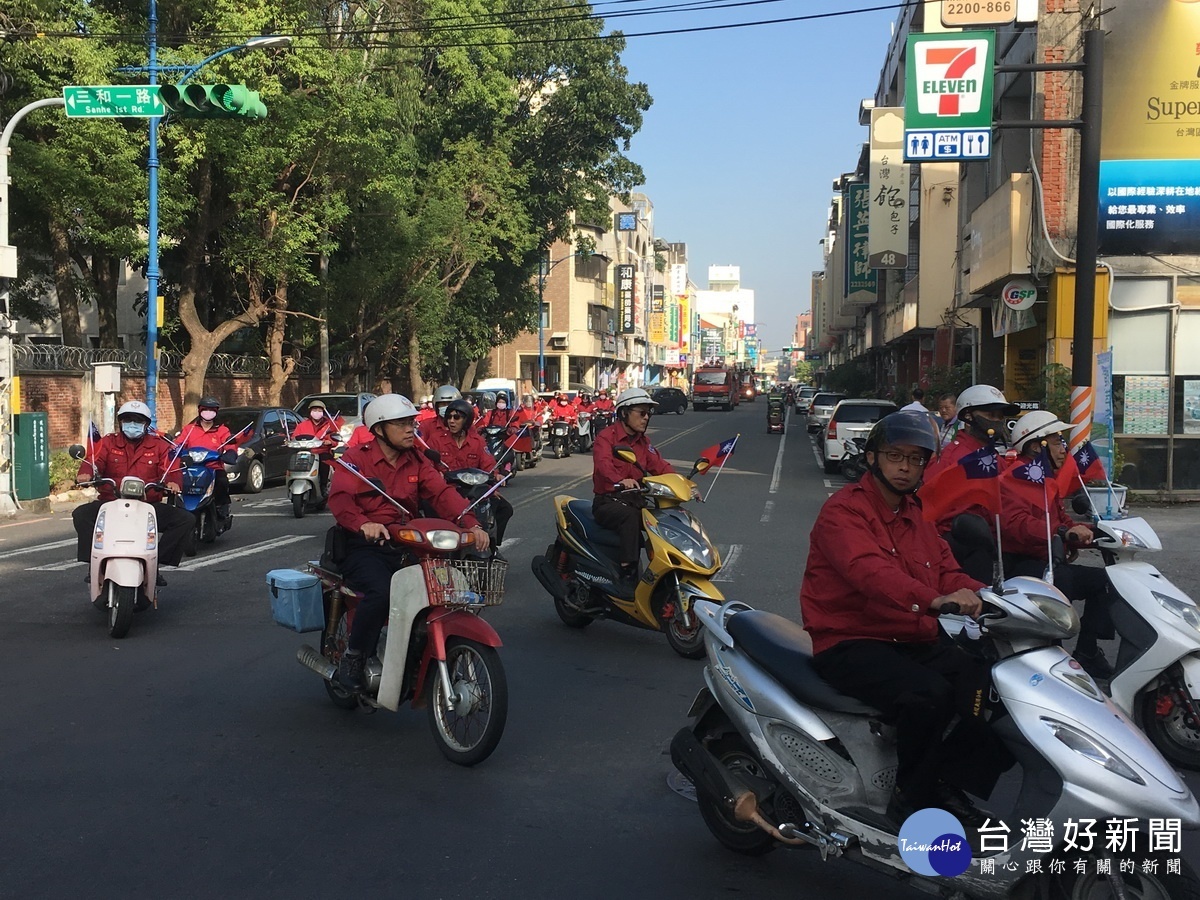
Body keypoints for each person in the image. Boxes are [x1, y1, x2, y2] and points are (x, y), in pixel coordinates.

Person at [800, 411, 1010, 827]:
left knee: (991, 683)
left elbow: (946, 569)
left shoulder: (917, 516)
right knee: (928, 695)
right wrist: (935, 600)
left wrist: (1000, 597)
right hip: (850, 640)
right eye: (895, 456)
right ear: (874, 457)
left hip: (908, 637)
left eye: (916, 460)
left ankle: (945, 779)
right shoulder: (844, 512)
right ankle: (908, 799)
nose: (905, 467)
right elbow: (871, 573)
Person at [327, 394, 489, 691]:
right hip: (365, 545)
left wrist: (472, 523)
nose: (409, 429)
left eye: (411, 423)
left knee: (446, 587)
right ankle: (355, 656)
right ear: (378, 429)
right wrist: (365, 523)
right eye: (401, 424)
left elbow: (442, 494)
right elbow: (340, 499)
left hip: (407, 542)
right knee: (380, 591)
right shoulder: (356, 459)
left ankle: (418, 647)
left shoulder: (416, 459)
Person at [999, 411, 1116, 678]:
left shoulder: (1044, 479)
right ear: (1035, 445)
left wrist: (1099, 532)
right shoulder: (1014, 478)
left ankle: (1087, 650)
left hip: (1049, 560)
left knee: (1107, 581)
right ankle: (1053, 658)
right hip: (1023, 564)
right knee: (1063, 583)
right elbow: (1017, 525)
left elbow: (1062, 520)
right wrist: (1063, 532)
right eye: (1056, 442)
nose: (1063, 449)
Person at [73, 400, 195, 584]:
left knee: (186, 519)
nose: (132, 424)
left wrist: (172, 482)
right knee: (81, 514)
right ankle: (94, 561)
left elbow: (170, 468)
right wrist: (86, 473)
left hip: (147, 506)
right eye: (128, 420)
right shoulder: (107, 442)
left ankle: (154, 565)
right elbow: (94, 461)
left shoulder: (159, 445)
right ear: (120, 423)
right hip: (111, 503)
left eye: (138, 421)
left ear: (146, 424)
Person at [591, 387, 676, 589]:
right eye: (642, 413)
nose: (646, 418)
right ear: (624, 413)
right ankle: (627, 570)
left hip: (635, 500)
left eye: (649, 413)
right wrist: (621, 480)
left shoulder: (643, 442)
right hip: (608, 502)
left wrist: (683, 484)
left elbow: (659, 465)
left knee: (665, 518)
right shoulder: (606, 437)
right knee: (632, 517)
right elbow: (603, 466)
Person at [426, 399, 513, 544]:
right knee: (428, 508)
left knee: (505, 509)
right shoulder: (436, 440)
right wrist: (437, 475)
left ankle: (493, 546)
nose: (452, 421)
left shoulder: (477, 441)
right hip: (446, 491)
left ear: (466, 420)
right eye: (449, 417)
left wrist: (495, 479)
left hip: (473, 491)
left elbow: (488, 465)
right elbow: (427, 466)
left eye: (457, 417)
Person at [175, 396, 234, 521]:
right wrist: (174, 449)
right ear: (199, 410)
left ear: (216, 412)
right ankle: (176, 509)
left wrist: (230, 452)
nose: (208, 412)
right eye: (205, 409)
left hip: (213, 468)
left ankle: (221, 506)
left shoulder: (222, 430)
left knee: (222, 482)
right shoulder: (189, 429)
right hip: (190, 468)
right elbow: (178, 443)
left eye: (212, 410)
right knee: (174, 485)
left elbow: (230, 444)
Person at [292, 399, 342, 496]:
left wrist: (329, 442)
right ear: (310, 411)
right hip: (306, 452)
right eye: (314, 410)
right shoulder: (302, 425)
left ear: (323, 412)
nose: (317, 412)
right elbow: (294, 437)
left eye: (319, 410)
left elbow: (334, 438)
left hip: (322, 452)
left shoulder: (328, 425)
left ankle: (323, 486)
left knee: (324, 462)